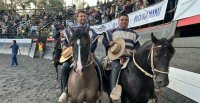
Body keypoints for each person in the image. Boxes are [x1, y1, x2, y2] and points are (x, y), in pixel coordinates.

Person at [59, 10, 102, 99]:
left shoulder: (91, 31)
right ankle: (65, 91)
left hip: (89, 55)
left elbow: (94, 44)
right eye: (81, 16)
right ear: (77, 18)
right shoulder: (70, 31)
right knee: (64, 68)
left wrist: (88, 49)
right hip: (73, 55)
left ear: (87, 18)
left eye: (84, 16)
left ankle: (100, 90)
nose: (83, 18)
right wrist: (64, 46)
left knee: (100, 66)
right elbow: (65, 42)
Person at [102, 13, 141, 101]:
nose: (124, 21)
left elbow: (138, 45)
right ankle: (113, 93)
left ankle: (148, 91)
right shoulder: (112, 31)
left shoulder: (134, 33)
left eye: (126, 20)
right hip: (116, 58)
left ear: (128, 21)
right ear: (118, 21)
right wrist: (108, 43)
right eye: (122, 20)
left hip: (130, 58)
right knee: (115, 68)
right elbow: (104, 40)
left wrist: (136, 50)